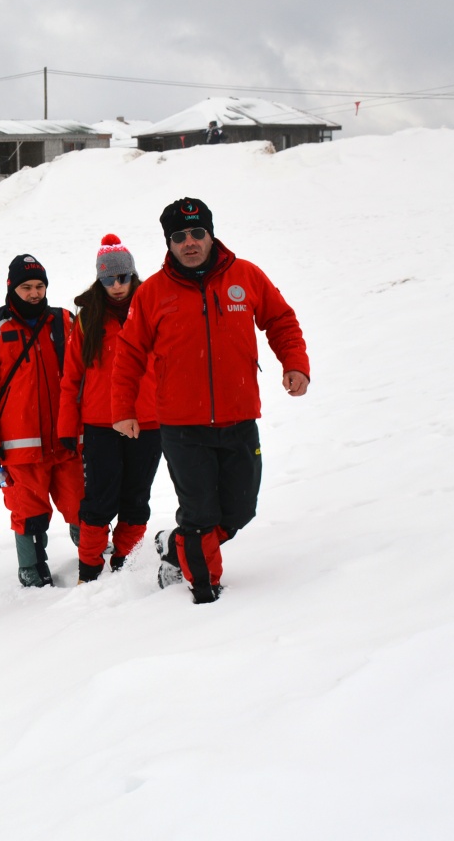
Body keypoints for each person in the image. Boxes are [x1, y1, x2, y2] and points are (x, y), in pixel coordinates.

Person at [111, 198, 310, 603]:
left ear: (211, 234)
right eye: (179, 236)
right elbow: (129, 353)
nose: (190, 242)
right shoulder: (152, 292)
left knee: (239, 511)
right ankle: (205, 592)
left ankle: (176, 545)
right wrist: (123, 409)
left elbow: (280, 320)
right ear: (169, 242)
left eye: (197, 232)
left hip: (239, 417)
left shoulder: (246, 275)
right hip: (182, 426)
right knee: (201, 515)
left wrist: (295, 364)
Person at [0, 255, 83, 588]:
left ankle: (93, 553)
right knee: (29, 513)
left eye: (39, 286)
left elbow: (88, 372)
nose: (34, 293)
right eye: (26, 287)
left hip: (67, 439)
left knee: (82, 504)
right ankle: (31, 569)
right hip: (20, 447)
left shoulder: (65, 321)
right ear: (12, 289)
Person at [58, 236, 162, 583]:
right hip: (101, 424)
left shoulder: (152, 309)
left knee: (136, 499)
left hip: (148, 422)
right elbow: (71, 379)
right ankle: (89, 570)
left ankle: (124, 564)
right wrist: (66, 428)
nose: (116, 286)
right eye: (107, 279)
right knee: (99, 501)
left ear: (133, 275)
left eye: (122, 277)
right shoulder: (87, 320)